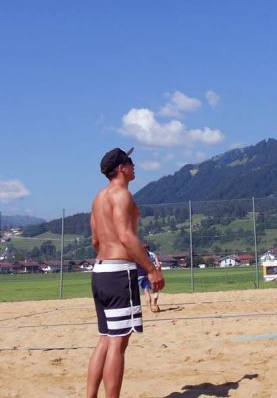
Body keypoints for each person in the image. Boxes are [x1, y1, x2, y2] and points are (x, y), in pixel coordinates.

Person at [87, 147, 165, 398]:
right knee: (118, 344)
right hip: (118, 274)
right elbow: (126, 235)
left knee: (105, 339)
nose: (134, 166)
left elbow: (95, 240)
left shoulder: (99, 198)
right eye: (130, 162)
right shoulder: (122, 195)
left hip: (100, 271)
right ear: (121, 168)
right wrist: (151, 270)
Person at [137, 244, 162, 313]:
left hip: (140, 274)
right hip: (151, 273)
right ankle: (155, 303)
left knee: (145, 291)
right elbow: (158, 265)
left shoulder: (138, 254)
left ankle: (149, 308)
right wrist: (159, 272)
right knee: (155, 290)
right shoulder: (153, 255)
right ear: (149, 248)